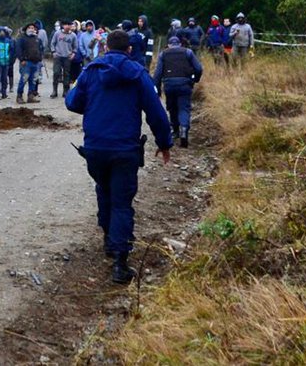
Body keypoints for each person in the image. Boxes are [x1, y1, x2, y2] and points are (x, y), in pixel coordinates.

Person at [65, 30, 173, 284]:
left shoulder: (91, 71)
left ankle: (108, 240)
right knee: (122, 202)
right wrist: (164, 143)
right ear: (129, 49)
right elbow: (156, 112)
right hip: (125, 149)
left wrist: (89, 98)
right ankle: (120, 263)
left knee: (104, 191)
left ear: (105, 47)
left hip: (95, 148)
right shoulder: (137, 74)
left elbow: (72, 102)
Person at [153, 36, 203, 148]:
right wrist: (195, 79)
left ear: (169, 44)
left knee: (172, 108)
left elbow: (157, 74)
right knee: (184, 108)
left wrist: (157, 89)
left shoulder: (163, 54)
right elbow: (199, 68)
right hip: (185, 84)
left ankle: (175, 131)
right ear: (180, 44)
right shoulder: (188, 52)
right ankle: (184, 130)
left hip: (169, 85)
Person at [15, 23, 44, 103]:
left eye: (33, 28)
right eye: (30, 27)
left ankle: (30, 96)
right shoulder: (22, 39)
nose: (32, 29)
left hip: (36, 63)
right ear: (26, 29)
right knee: (24, 79)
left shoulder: (37, 39)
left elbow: (41, 49)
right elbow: (18, 50)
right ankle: (19, 96)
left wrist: (40, 58)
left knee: (34, 80)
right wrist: (22, 59)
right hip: (26, 62)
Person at [50, 20, 79, 98]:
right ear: (62, 25)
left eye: (69, 25)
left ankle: (66, 91)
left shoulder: (73, 35)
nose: (67, 26)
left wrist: (73, 54)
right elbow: (52, 43)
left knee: (67, 74)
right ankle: (54, 90)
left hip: (67, 56)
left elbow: (75, 46)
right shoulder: (57, 33)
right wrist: (53, 52)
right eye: (66, 24)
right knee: (56, 73)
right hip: (58, 56)